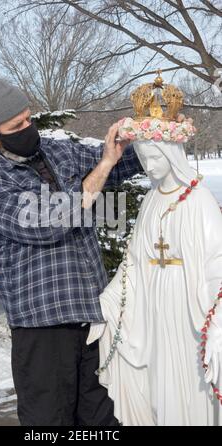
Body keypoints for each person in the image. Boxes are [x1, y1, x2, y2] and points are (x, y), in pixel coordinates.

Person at [0, 79, 143, 426]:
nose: (27, 129)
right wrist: (105, 166)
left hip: (93, 321)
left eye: (28, 118)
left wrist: (153, 133)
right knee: (49, 423)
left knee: (104, 420)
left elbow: (118, 162)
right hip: (43, 332)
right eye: (15, 126)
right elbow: (51, 220)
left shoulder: (59, 151)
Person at [87, 138, 222, 426]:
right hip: (153, 305)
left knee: (188, 381)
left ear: (171, 154)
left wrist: (217, 324)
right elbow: (133, 260)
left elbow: (217, 263)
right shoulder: (151, 199)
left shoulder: (200, 200)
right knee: (158, 385)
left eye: (154, 157)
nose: (148, 165)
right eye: (143, 158)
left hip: (188, 306)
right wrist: (109, 302)